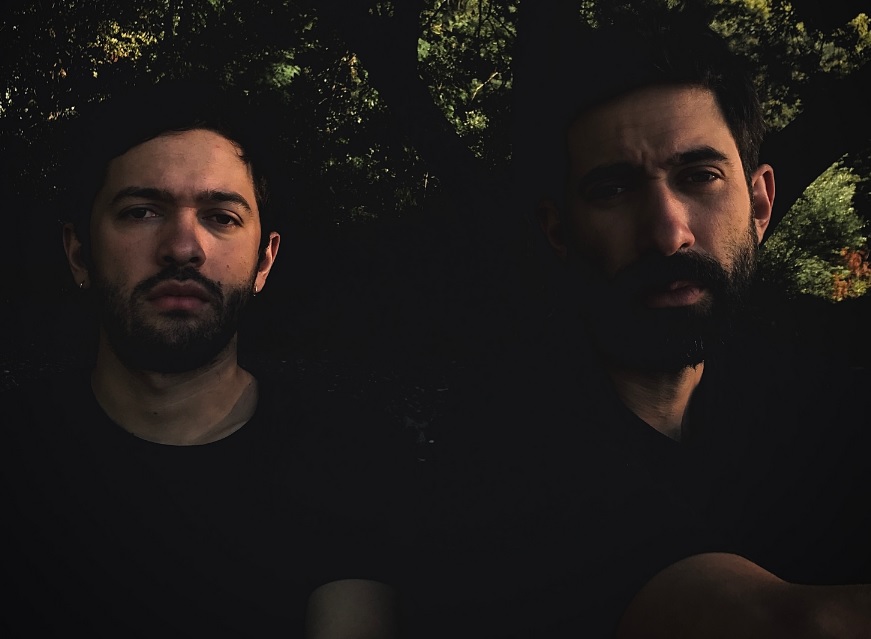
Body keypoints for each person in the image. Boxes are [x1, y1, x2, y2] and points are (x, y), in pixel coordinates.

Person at [403, 9, 871, 638]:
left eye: (700, 177)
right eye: (614, 190)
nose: (668, 234)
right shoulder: (500, 454)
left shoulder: (815, 403)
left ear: (760, 203)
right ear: (558, 231)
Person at [0, 80, 399, 638]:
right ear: (79, 253)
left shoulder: (341, 459)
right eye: (142, 211)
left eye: (221, 217)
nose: (183, 247)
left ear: (264, 262)